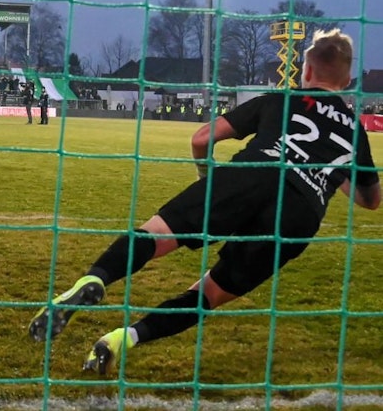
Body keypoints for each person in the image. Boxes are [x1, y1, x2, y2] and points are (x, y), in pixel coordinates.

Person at [28, 29, 380, 375]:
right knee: (208, 294)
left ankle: (95, 281)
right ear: (348, 79)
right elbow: (370, 200)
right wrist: (328, 172)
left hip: (250, 175)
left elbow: (202, 137)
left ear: (306, 71)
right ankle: (122, 339)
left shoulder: (279, 100)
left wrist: (205, 179)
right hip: (299, 215)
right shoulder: (354, 130)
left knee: (154, 237)